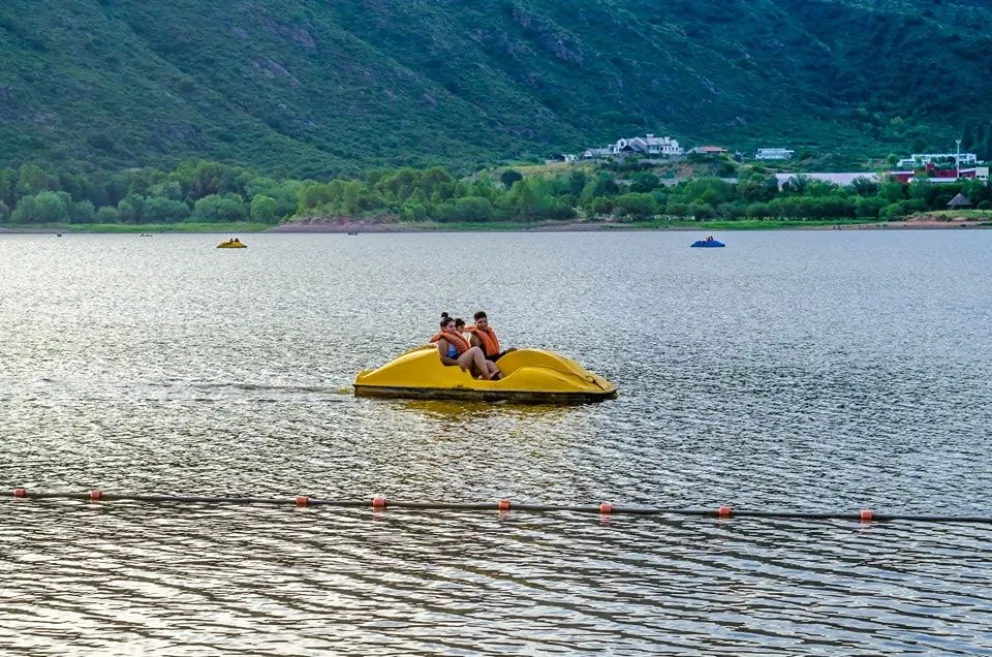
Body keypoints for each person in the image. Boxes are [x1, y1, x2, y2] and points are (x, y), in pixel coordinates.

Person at [436, 314, 501, 380]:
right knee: (476, 349)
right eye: (451, 327)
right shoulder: (443, 341)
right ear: (443, 328)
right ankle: (488, 376)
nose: (454, 329)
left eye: (454, 326)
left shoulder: (455, 337)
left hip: (463, 362)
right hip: (455, 364)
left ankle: (499, 379)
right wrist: (458, 362)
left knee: (489, 363)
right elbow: (443, 359)